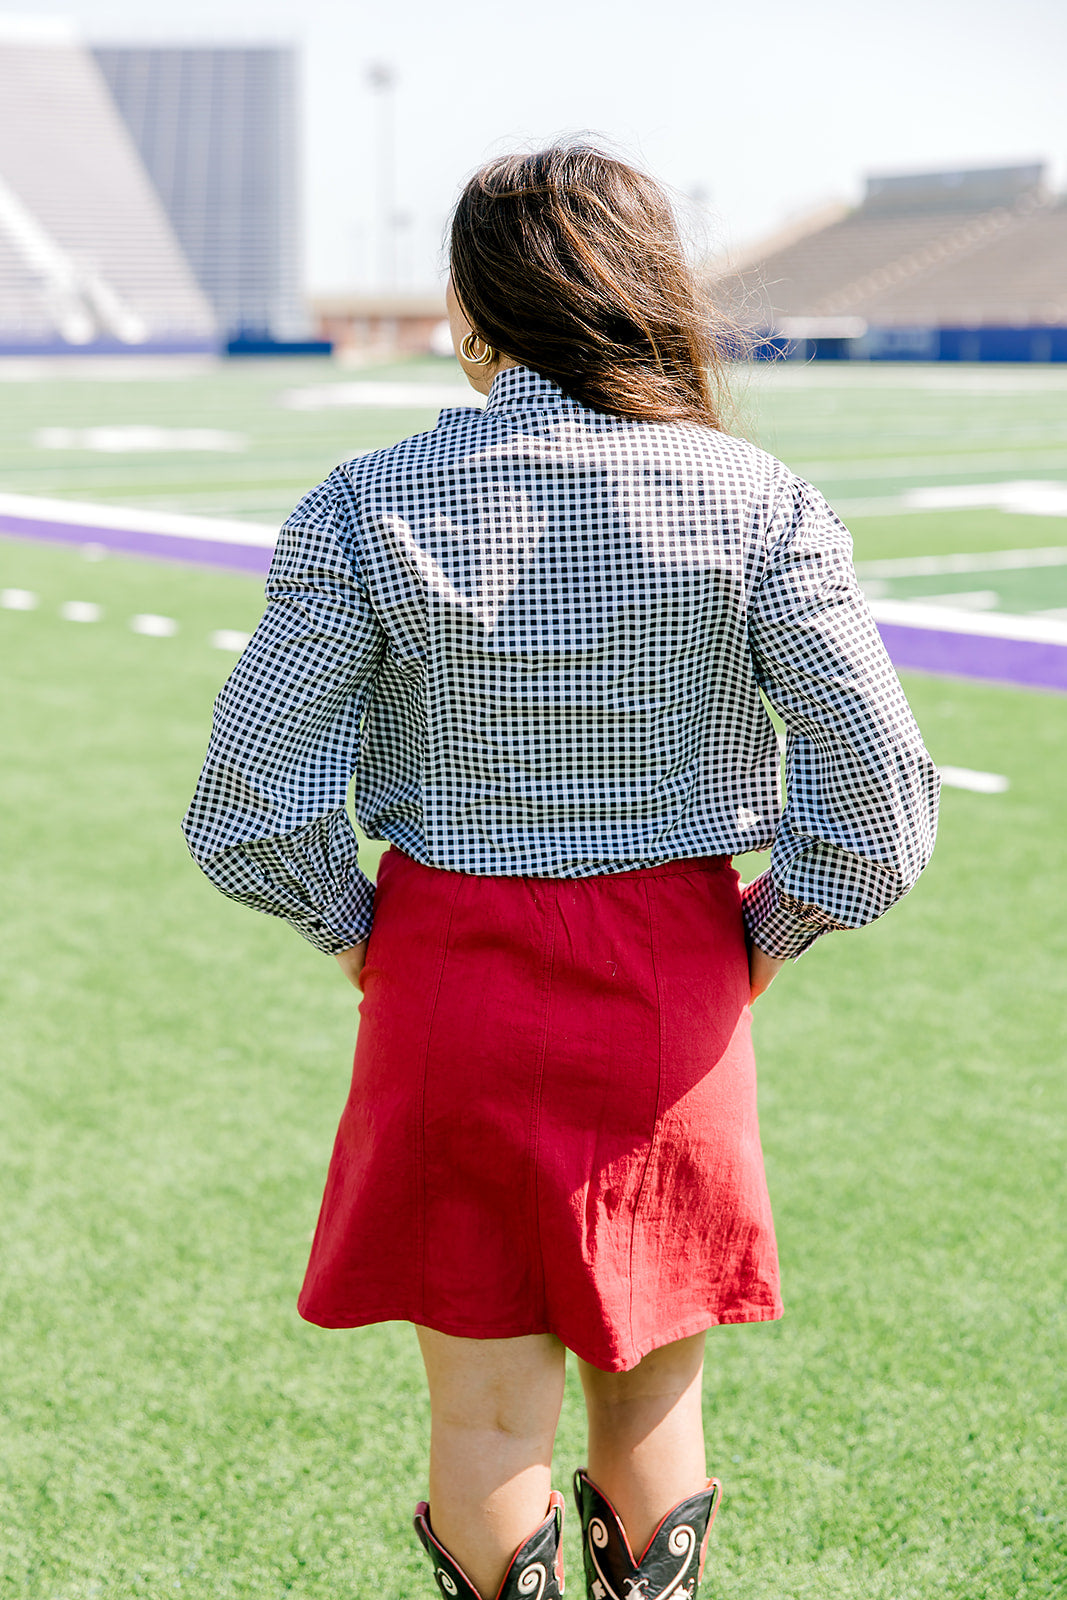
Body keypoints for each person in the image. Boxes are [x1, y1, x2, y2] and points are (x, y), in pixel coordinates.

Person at [183, 143, 939, 1600]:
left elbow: (249, 804)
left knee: (478, 1416)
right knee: (654, 1409)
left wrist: (362, 935)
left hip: (443, 971)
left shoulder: (365, 500)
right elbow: (880, 798)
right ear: (652, 295)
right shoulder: (751, 494)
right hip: (673, 972)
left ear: (474, 306)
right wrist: (764, 937)